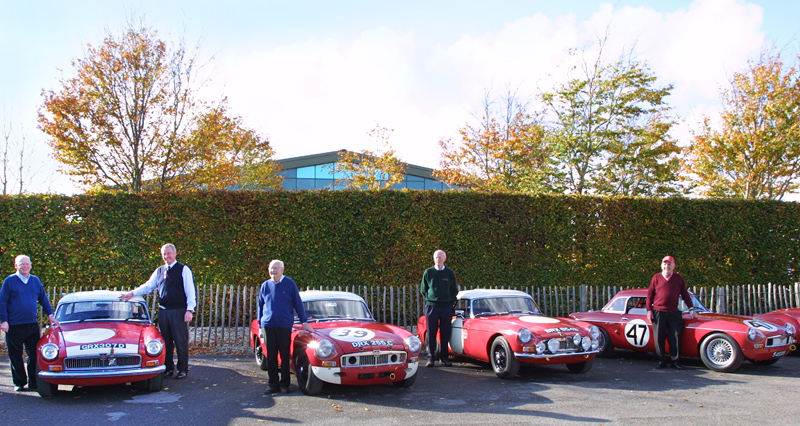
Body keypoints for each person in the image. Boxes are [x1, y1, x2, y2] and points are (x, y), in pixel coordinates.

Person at [120, 244, 196, 379]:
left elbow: (190, 292)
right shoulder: (159, 271)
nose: (167, 256)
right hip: (163, 311)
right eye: (164, 254)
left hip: (178, 310)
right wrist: (132, 293)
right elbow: (148, 286)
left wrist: (190, 310)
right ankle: (168, 368)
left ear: (175, 253)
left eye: (169, 253)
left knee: (180, 341)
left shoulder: (183, 269)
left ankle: (183, 369)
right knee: (166, 342)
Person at [0, 255, 59, 392]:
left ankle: (34, 382)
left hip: (32, 324)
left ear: (31, 265)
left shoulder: (35, 281)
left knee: (34, 354)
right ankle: (19, 382)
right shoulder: (10, 281)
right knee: (15, 355)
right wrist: (4, 321)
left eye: (27, 264)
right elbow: (2, 302)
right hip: (14, 325)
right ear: (16, 266)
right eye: (22, 264)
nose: (25, 266)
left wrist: (50, 315)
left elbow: (43, 299)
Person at [257, 259, 314, 394]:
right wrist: (260, 325)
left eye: (276, 268)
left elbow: (297, 303)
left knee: (284, 355)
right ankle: (273, 384)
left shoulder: (289, 284)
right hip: (268, 325)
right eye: (271, 268)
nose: (273, 271)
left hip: (284, 325)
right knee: (270, 355)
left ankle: (284, 385)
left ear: (282, 270)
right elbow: (260, 306)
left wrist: (304, 322)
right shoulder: (265, 285)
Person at [646, 255, 697, 370]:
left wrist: (691, 308)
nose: (667, 266)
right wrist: (649, 310)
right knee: (659, 337)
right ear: (661, 265)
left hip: (674, 311)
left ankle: (675, 360)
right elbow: (649, 295)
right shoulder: (656, 277)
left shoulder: (678, 278)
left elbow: (685, 294)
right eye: (665, 264)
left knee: (675, 336)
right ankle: (661, 360)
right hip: (658, 311)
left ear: (673, 266)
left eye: (669, 264)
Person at [420, 249, 459, 367]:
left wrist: (448, 301)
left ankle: (444, 358)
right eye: (436, 257)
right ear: (433, 259)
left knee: (445, 332)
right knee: (431, 332)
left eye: (440, 257)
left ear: (445, 259)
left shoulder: (449, 273)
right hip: (432, 306)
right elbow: (423, 289)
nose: (438, 259)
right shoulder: (428, 272)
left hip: (446, 306)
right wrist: (430, 299)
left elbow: (454, 290)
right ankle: (430, 358)